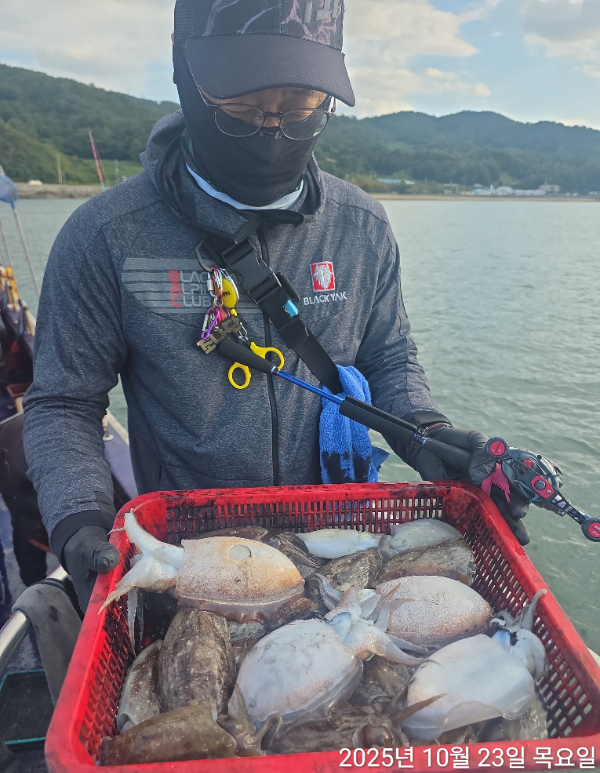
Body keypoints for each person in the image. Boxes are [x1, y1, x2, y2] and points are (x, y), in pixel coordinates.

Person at [23, 0, 530, 614]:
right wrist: (77, 519)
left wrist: (429, 436)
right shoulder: (105, 236)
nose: (272, 128)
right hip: (189, 562)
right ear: (186, 79)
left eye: (300, 105)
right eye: (241, 106)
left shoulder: (362, 226)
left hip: (336, 549)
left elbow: (388, 358)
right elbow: (65, 402)